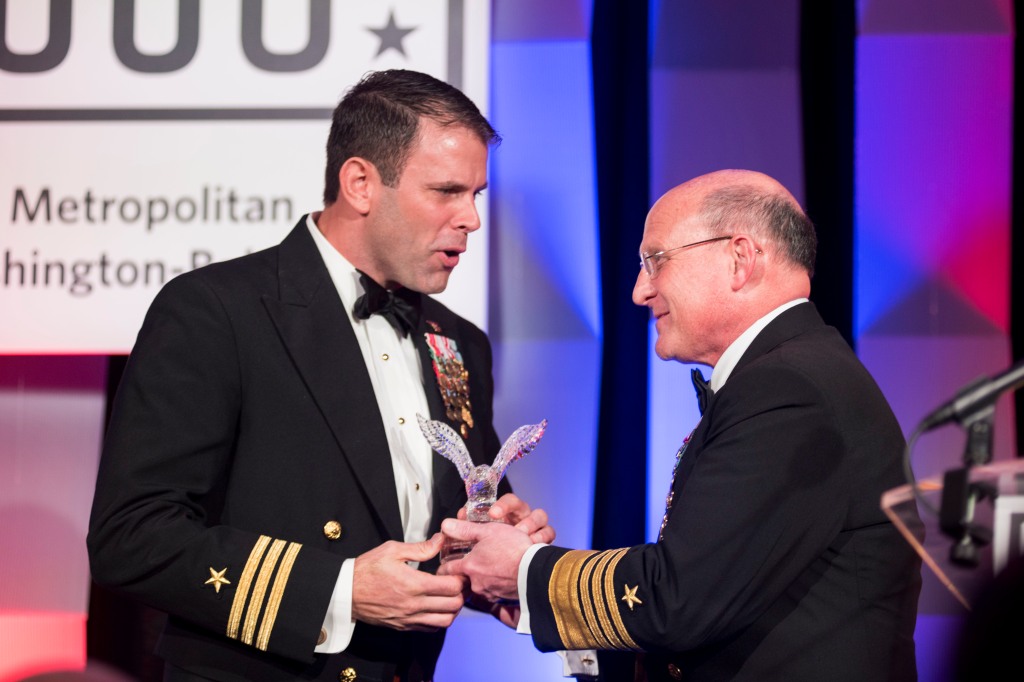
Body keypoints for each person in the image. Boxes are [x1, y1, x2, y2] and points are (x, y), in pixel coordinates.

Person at [87, 69, 553, 682]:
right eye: (446, 191)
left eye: (476, 195)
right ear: (360, 183)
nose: (471, 218)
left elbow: (445, 527)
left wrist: (494, 548)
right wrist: (339, 590)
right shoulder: (217, 310)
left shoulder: (460, 342)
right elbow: (131, 537)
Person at [441, 169, 922, 681]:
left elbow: (680, 599)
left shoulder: (789, 388)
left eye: (654, 262)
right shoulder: (795, 373)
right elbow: (722, 612)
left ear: (740, 259)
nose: (639, 291)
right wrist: (527, 596)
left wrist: (527, 570)